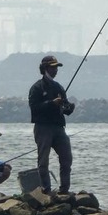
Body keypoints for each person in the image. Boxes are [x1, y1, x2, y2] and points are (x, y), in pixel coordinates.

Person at [28, 55, 76, 195]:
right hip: (42, 128)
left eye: (56, 67)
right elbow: (34, 108)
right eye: (53, 67)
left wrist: (69, 108)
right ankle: (46, 190)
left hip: (58, 128)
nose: (55, 70)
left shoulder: (58, 87)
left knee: (66, 158)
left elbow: (65, 108)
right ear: (45, 68)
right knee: (43, 160)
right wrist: (51, 103)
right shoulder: (36, 88)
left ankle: (64, 189)